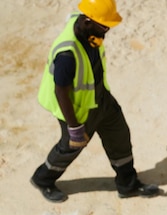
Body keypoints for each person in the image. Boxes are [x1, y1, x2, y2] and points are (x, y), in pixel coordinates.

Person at [30, 0, 159, 203]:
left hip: (102, 100)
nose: (107, 30)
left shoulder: (86, 28)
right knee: (70, 147)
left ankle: (128, 184)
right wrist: (74, 127)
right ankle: (42, 179)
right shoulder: (67, 54)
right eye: (103, 25)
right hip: (78, 110)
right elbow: (60, 91)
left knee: (120, 138)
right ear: (88, 21)